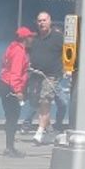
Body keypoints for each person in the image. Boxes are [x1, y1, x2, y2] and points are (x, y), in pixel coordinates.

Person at [30, 11, 68, 145]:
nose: (41, 23)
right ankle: (50, 130)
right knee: (36, 104)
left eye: (44, 20)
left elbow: (68, 53)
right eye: (39, 21)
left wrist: (66, 69)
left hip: (51, 76)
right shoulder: (34, 38)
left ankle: (39, 133)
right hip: (35, 75)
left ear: (50, 21)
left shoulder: (58, 37)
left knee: (45, 101)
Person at [0, 26, 34, 158]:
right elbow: (15, 73)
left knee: (10, 117)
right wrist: (18, 91)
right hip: (10, 87)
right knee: (13, 118)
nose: (32, 39)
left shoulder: (12, 47)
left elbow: (4, 64)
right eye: (30, 36)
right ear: (25, 38)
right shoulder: (19, 52)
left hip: (4, 84)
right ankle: (9, 148)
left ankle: (10, 147)